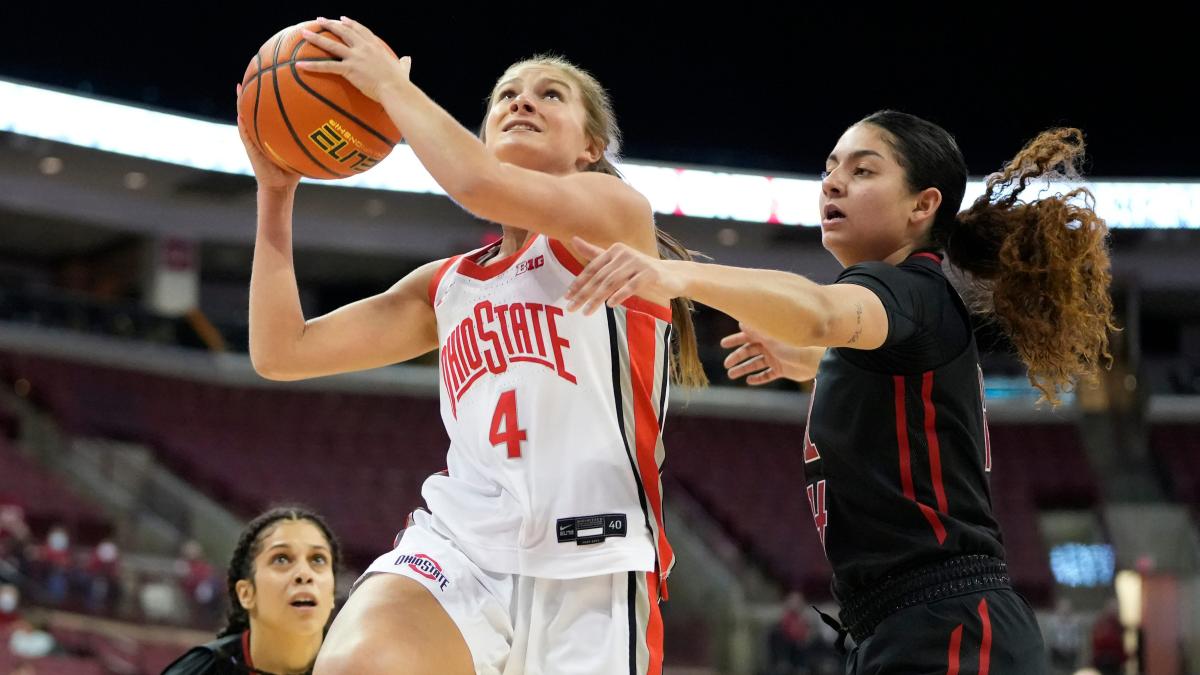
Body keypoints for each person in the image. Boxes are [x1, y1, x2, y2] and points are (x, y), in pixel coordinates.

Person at [567, 111, 1115, 674]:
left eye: (862, 170)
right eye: (830, 169)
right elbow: (869, 367)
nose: (832, 182)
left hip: (947, 627)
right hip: (910, 624)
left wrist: (672, 275)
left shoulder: (909, 287)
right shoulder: (908, 313)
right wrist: (810, 361)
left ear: (922, 206)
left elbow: (820, 313)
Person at [237, 17, 704, 675]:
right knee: (355, 664)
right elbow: (281, 349)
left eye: (550, 95)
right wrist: (277, 189)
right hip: (462, 547)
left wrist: (388, 89)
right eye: (507, 95)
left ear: (590, 147)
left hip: (594, 567)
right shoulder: (449, 285)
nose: (522, 101)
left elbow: (475, 184)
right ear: (483, 133)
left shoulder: (616, 217)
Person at [161, 507, 339, 675]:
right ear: (246, 593)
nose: (304, 574)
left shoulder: (359, 665)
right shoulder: (200, 670)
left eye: (318, 559)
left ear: (332, 593)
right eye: (282, 559)